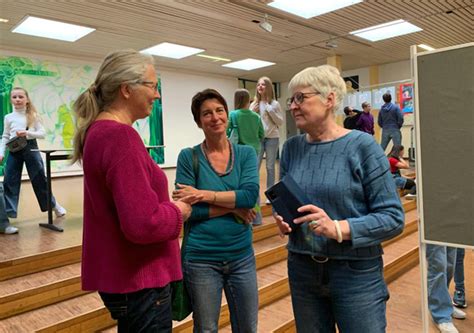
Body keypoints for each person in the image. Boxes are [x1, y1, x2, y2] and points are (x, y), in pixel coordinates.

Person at [72, 49, 197, 332]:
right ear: (126, 89)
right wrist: (178, 210)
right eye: (152, 86)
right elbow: (143, 225)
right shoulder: (120, 136)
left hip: (126, 280)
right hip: (140, 280)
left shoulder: (98, 131)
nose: (157, 95)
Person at [275, 65, 405, 332]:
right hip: (302, 269)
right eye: (291, 100)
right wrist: (284, 219)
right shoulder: (291, 148)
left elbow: (393, 218)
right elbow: (293, 206)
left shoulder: (363, 146)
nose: (293, 106)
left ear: (329, 99)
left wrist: (338, 228)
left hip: (355, 273)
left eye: (301, 97)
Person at [173, 88, 259, 332]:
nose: (215, 117)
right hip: (201, 259)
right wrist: (233, 208)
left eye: (220, 110)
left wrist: (203, 195)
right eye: (207, 113)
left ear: (227, 114)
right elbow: (189, 211)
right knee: (206, 329)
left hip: (241, 256)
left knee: (247, 328)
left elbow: (250, 196)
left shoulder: (245, 154)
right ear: (198, 121)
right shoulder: (188, 157)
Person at [0, 87, 66, 219]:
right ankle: (8, 213)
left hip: (31, 149)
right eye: (14, 97)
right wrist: (1, 152)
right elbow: (5, 136)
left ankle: (54, 205)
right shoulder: (8, 117)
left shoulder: (33, 116)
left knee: (39, 179)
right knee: (10, 181)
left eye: (20, 97)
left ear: (27, 99)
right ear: (11, 99)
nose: (17, 99)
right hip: (14, 150)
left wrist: (28, 133)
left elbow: (42, 133)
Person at [227, 88, 264, 225]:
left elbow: (227, 132)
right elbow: (262, 134)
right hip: (253, 152)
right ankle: (257, 218)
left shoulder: (233, 115)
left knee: (238, 185)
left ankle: (242, 216)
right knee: (253, 185)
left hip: (238, 153)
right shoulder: (256, 117)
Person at [250, 77, 283, 195]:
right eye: (258, 84)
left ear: (268, 87)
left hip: (272, 138)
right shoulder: (254, 104)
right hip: (258, 139)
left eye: (263, 84)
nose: (260, 86)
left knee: (270, 167)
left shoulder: (275, 104)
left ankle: (270, 193)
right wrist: (252, 113)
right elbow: (249, 123)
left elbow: (280, 122)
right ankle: (254, 192)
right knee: (255, 165)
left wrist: (270, 110)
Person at [426, 245, 466, 333]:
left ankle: (445, 304)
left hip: (451, 231)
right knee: (438, 266)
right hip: (434, 231)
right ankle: (441, 315)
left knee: (450, 265)